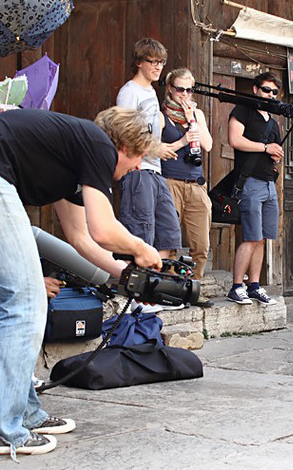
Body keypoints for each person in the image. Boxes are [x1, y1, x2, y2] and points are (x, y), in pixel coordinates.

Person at [0, 107, 162, 458]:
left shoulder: (74, 154)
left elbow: (83, 238)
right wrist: (143, 249)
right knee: (24, 303)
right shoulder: (99, 144)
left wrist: (127, 274)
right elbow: (104, 228)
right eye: (140, 157)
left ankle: (23, 413)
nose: (138, 167)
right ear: (125, 146)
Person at [116, 38, 183, 312]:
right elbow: (123, 132)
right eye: (152, 61)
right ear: (139, 62)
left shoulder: (152, 93)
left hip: (156, 169)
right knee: (140, 230)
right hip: (137, 167)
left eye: (161, 62)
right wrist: (155, 147)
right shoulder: (129, 92)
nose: (157, 67)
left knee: (167, 230)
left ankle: (153, 290)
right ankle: (136, 295)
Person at [226, 72, 284, 307]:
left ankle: (254, 285)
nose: (269, 95)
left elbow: (274, 149)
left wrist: (275, 155)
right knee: (251, 237)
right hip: (250, 181)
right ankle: (236, 286)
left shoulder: (273, 120)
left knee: (262, 239)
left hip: (269, 183)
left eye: (273, 92)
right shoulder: (243, 110)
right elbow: (235, 140)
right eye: (265, 90)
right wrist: (265, 147)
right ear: (255, 89)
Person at [161, 67, 214, 307]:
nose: (184, 94)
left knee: (201, 243)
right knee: (170, 240)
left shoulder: (197, 114)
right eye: (179, 89)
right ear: (170, 89)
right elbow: (158, 150)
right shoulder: (162, 114)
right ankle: (171, 287)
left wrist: (192, 120)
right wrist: (183, 140)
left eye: (189, 90)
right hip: (170, 181)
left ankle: (195, 287)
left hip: (195, 184)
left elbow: (208, 145)